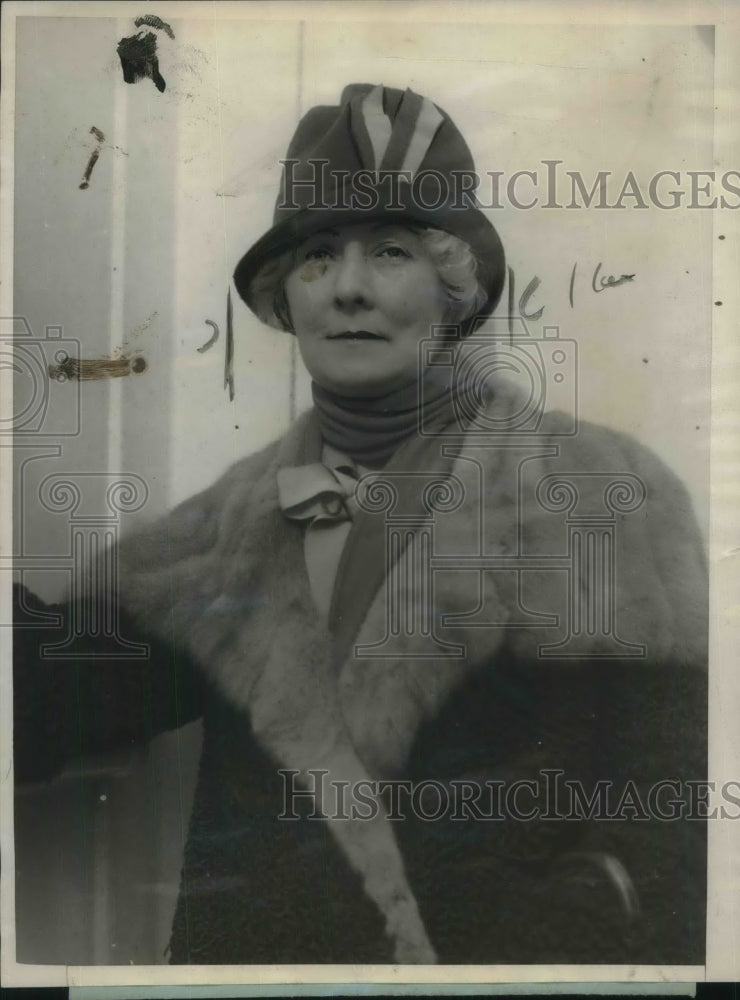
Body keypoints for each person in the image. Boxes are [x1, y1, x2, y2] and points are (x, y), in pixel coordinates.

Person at [13, 83, 707, 966]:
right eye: (314, 258)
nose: (346, 289)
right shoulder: (224, 530)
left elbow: (679, 828)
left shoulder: (610, 496)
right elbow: (53, 693)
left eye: (388, 251)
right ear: (284, 297)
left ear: (454, 285)